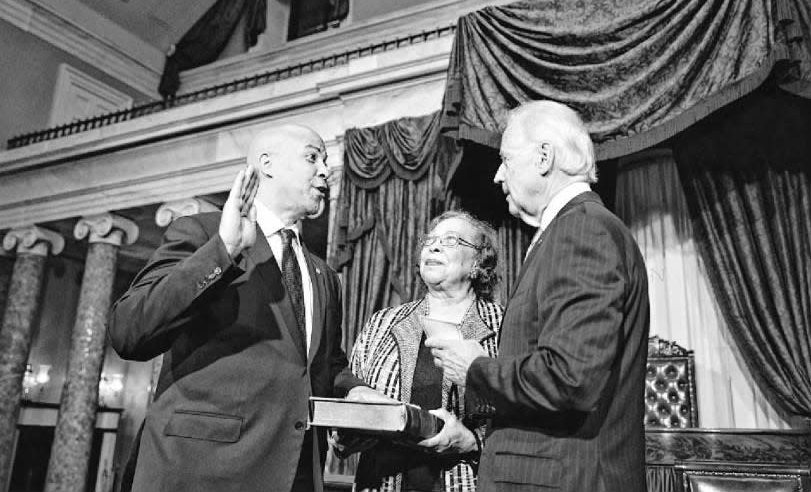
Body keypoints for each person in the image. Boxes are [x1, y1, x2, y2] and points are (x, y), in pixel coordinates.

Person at [109, 124, 383, 492]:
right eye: (312, 157)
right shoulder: (202, 233)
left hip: (295, 471)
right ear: (266, 164)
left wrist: (353, 392)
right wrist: (223, 250)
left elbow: (323, 363)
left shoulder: (324, 275)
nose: (325, 170)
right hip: (201, 470)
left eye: (326, 161)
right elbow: (129, 330)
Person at [427, 101, 650, 492]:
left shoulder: (582, 230)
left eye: (506, 159)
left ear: (544, 156)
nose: (498, 175)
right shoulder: (569, 230)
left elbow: (570, 378)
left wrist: (476, 367)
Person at [334, 211, 504, 492]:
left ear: (477, 262)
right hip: (382, 482)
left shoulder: (503, 326)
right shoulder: (382, 323)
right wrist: (347, 432)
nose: (434, 246)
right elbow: (349, 396)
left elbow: (528, 417)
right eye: (430, 240)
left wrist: (473, 441)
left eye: (450, 240)